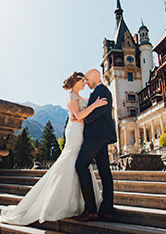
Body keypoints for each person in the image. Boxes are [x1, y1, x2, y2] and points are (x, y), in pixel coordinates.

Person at [0, 71, 107, 225]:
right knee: (71, 159)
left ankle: (80, 202)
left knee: (80, 162)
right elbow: (78, 115)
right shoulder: (71, 96)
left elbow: (87, 104)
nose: (85, 83)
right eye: (83, 81)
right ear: (76, 81)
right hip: (75, 131)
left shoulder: (79, 96)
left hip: (81, 131)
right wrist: (95, 105)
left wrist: (99, 90)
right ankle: (60, 203)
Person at [73, 69, 117, 222]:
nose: (86, 81)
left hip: (96, 136)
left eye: (87, 78)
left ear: (96, 77)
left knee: (80, 166)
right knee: (104, 171)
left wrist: (82, 118)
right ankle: (107, 210)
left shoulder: (102, 90)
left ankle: (91, 210)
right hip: (101, 136)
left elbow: (100, 111)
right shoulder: (97, 91)